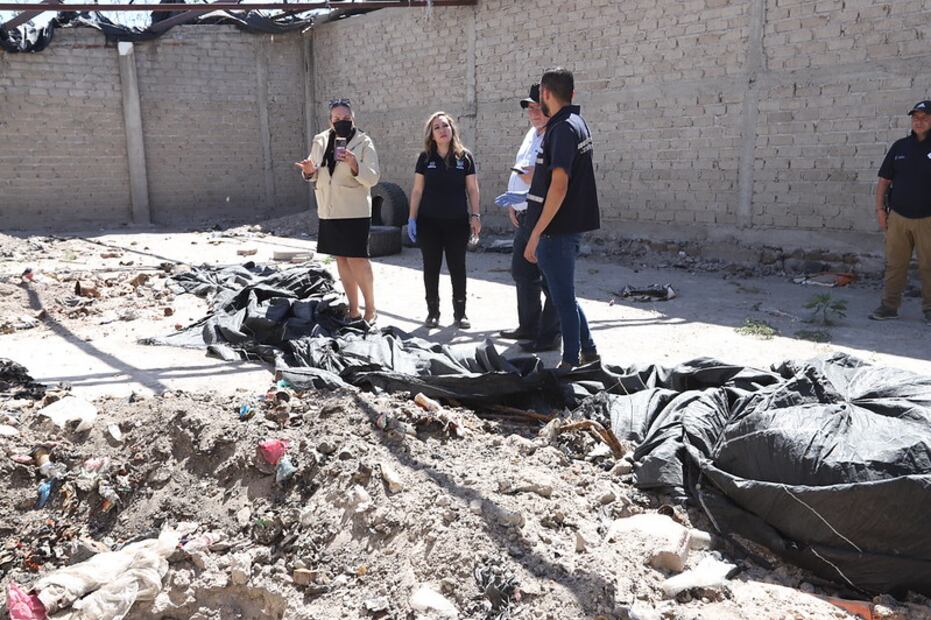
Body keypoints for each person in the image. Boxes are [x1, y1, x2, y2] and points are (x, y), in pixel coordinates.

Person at [523, 67, 601, 369]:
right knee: (564, 295)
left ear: (545, 93)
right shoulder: (576, 123)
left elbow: (559, 186)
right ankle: (589, 351)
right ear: (572, 93)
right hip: (565, 227)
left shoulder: (562, 129)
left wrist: (536, 232)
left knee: (563, 300)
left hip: (557, 230)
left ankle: (570, 362)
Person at [295, 98, 380, 325]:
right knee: (341, 259)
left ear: (353, 118)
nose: (342, 121)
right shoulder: (320, 140)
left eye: (346, 118)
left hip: (354, 210)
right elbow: (314, 172)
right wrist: (308, 171)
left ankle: (371, 308)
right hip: (329, 209)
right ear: (330, 120)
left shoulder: (364, 142)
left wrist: (354, 164)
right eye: (337, 118)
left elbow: (373, 177)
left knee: (358, 260)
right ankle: (354, 309)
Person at [495, 84, 561, 352]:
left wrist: (537, 176)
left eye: (538, 108)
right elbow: (520, 170)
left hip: (544, 217)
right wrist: (513, 202)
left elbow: (558, 179)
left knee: (550, 279)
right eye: (529, 108)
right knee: (523, 273)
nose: (533, 113)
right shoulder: (532, 134)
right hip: (523, 215)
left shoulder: (556, 136)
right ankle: (528, 327)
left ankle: (550, 336)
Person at [408, 112, 481, 329]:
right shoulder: (425, 158)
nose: (442, 130)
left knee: (458, 268)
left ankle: (460, 314)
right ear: (431, 134)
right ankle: (433, 313)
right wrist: (412, 218)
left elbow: (472, 189)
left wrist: (475, 215)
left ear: (452, 129)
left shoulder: (465, 157)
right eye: (437, 127)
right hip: (429, 223)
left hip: (457, 223)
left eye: (445, 126)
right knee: (431, 268)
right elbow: (417, 190)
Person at [870, 100, 931, 325]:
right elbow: (884, 181)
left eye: (925, 117)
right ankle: (889, 306)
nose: (919, 121)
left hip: (928, 219)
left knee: (929, 266)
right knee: (895, 265)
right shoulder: (900, 146)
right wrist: (880, 209)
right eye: (915, 117)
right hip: (898, 217)